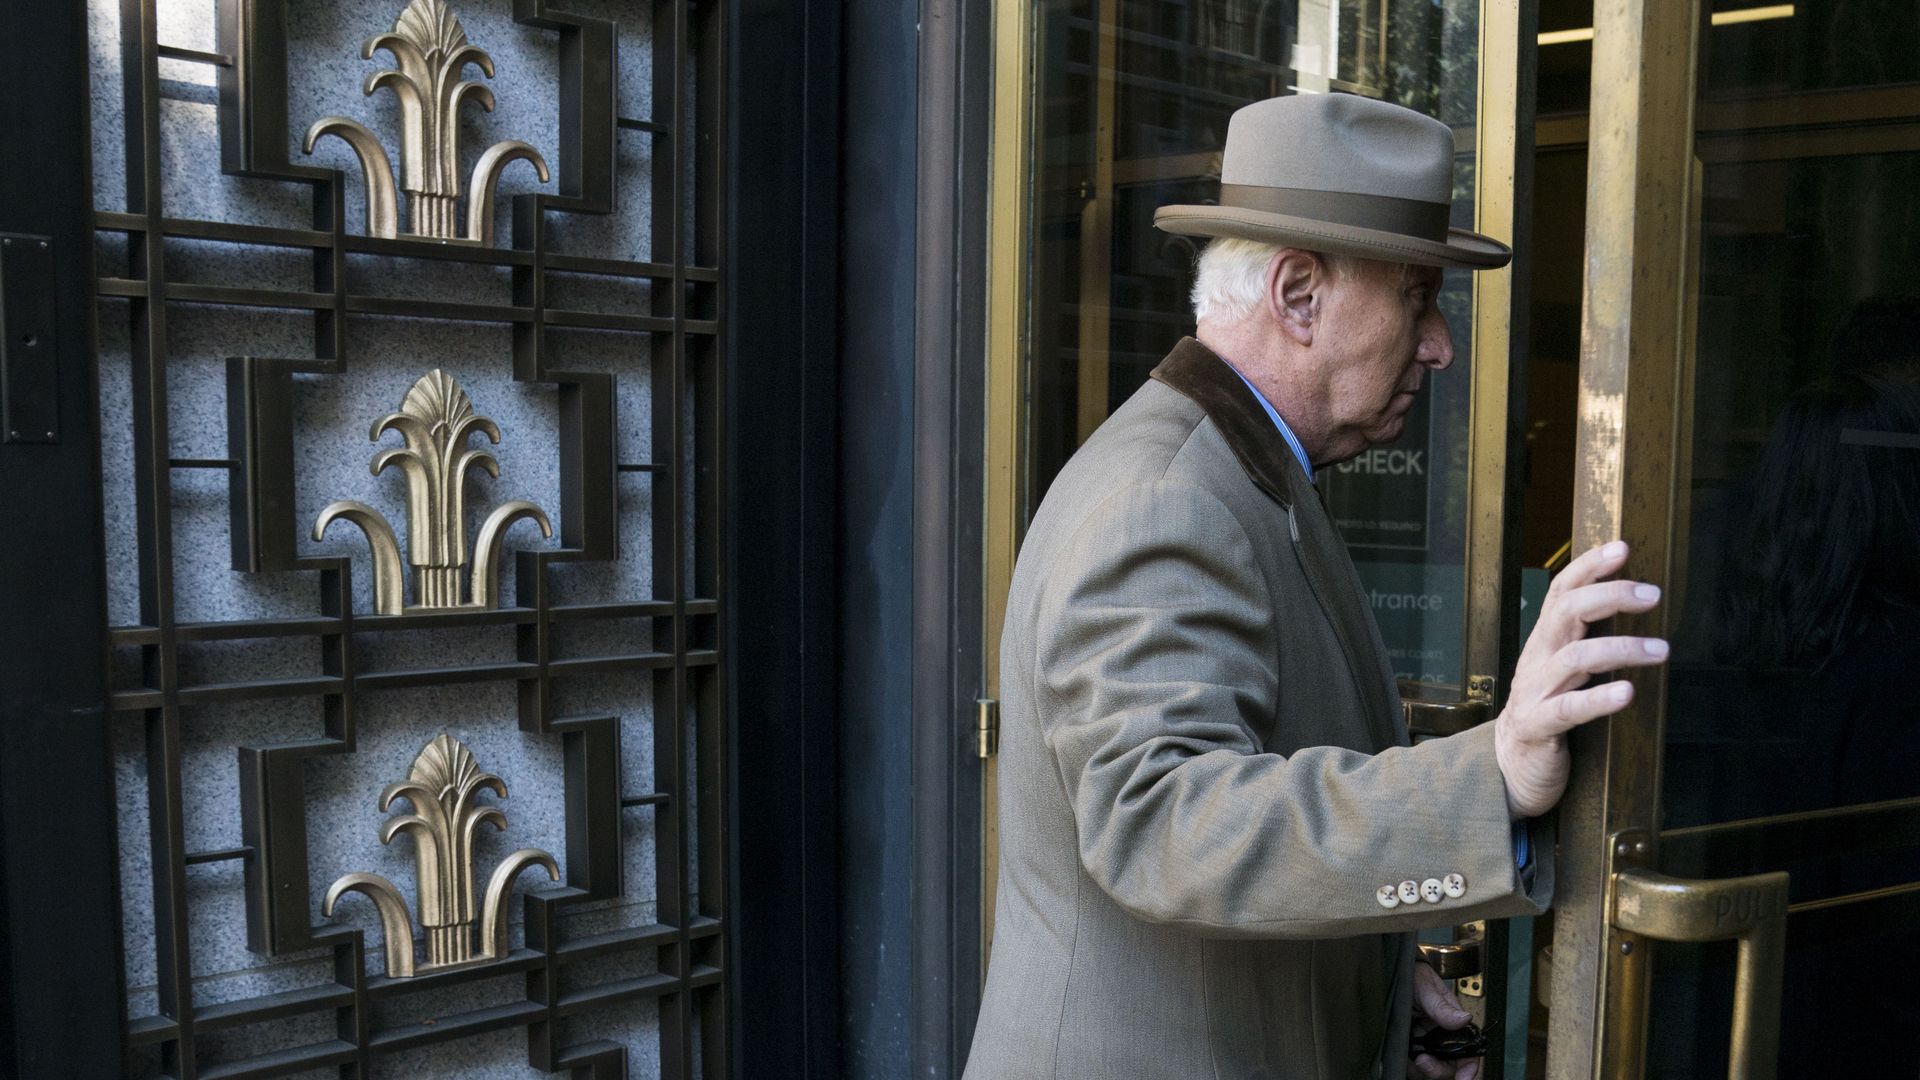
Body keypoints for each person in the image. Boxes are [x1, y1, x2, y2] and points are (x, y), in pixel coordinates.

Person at [965, 93, 1669, 1080]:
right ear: (1298, 296)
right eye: (1417, 298)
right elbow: (1164, 824)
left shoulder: (1242, 473)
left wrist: (1384, 1006)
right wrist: (1497, 772)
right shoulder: (1170, 504)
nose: (1440, 343)